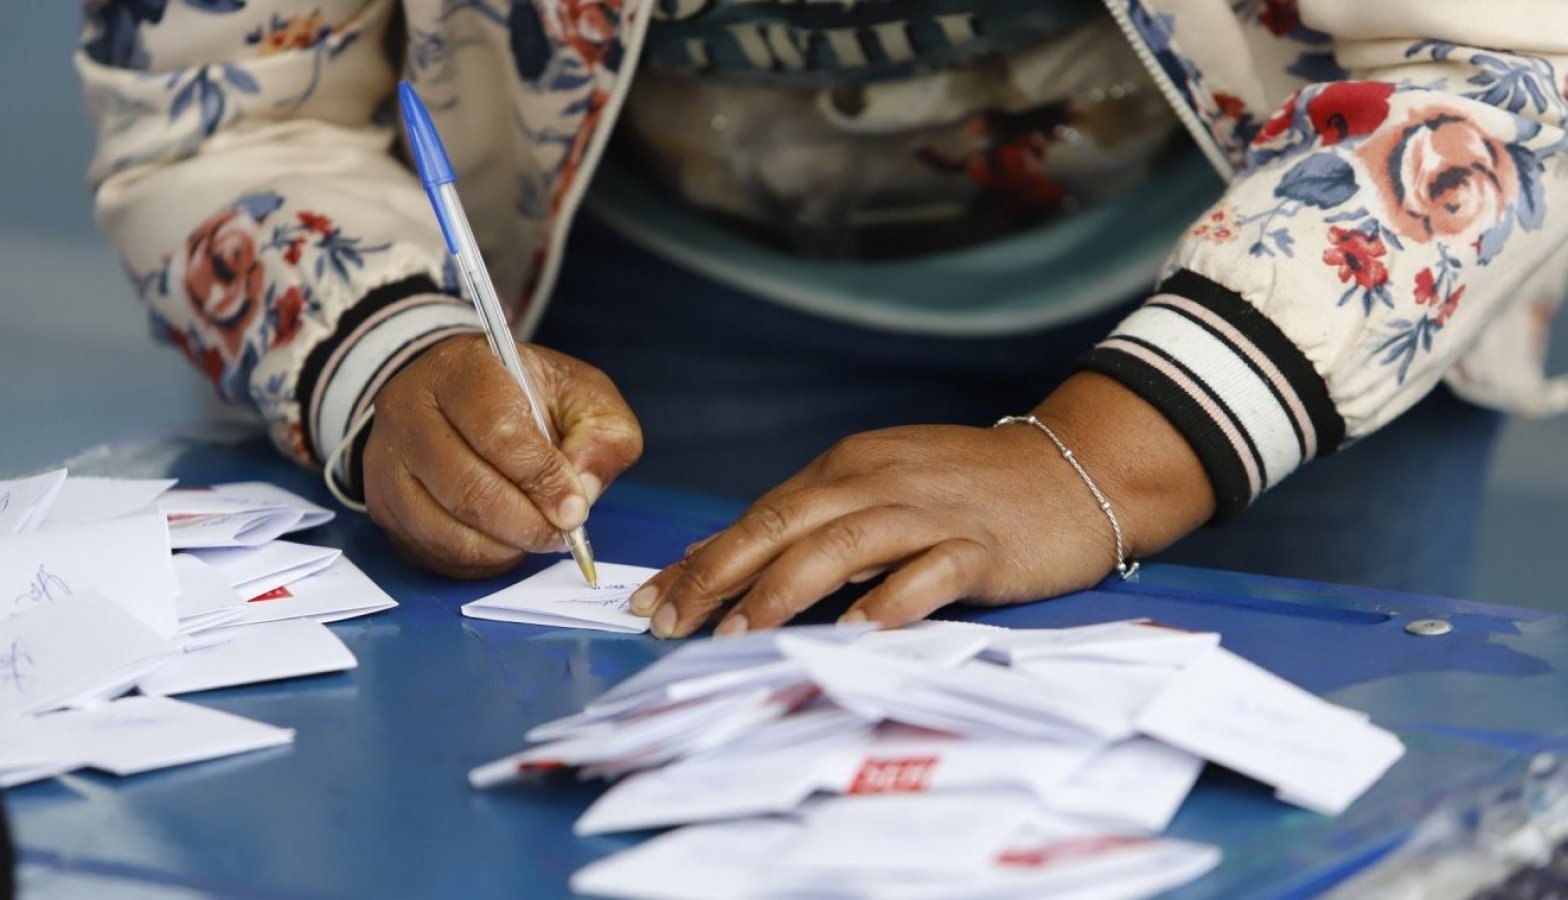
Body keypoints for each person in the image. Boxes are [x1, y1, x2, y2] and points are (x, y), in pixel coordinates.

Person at [79, 1, 1568, 639]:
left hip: (1284, 273)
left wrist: (1115, 459)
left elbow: (1505, 60)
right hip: (656, 291)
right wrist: (385, 351)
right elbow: (226, 116)